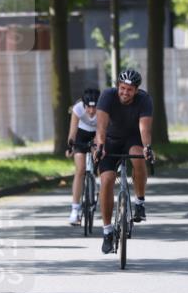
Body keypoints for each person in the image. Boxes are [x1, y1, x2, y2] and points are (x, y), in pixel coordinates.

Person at [93, 69, 154, 254]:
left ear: (136, 91)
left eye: (129, 89)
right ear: (117, 86)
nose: (125, 92)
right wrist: (100, 147)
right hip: (110, 139)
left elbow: (144, 129)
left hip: (132, 138)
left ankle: (140, 202)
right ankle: (107, 231)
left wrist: (147, 147)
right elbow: (101, 127)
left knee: (138, 157)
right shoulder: (107, 96)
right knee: (107, 180)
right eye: (122, 88)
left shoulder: (144, 100)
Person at [65, 87, 100, 225]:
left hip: (97, 134)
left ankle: (101, 193)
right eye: (88, 108)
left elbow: (103, 131)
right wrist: (70, 147)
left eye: (94, 108)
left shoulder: (104, 108)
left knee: (100, 166)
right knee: (80, 170)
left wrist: (98, 147)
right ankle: (75, 210)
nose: (91, 111)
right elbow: (72, 132)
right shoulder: (78, 108)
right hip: (82, 135)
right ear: (84, 105)